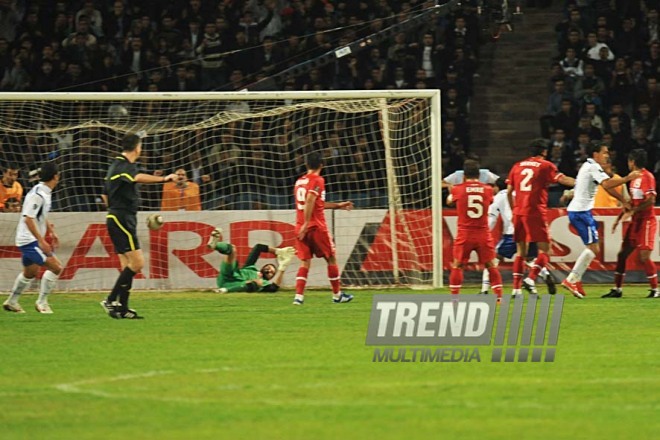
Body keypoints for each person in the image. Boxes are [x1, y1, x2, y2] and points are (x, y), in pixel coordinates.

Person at [100, 133, 178, 319]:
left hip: (117, 216)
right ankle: (111, 300)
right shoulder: (123, 165)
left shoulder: (115, 166)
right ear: (137, 147)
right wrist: (164, 179)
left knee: (127, 265)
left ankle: (123, 308)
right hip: (122, 217)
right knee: (138, 263)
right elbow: (136, 177)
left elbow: (104, 194)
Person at [561, 143, 640, 299]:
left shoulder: (590, 166)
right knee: (594, 248)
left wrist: (623, 200)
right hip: (581, 212)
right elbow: (607, 184)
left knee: (592, 247)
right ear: (595, 154)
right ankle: (571, 279)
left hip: (580, 211)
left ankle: (576, 280)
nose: (607, 155)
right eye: (604, 152)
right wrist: (627, 178)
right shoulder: (592, 166)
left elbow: (608, 188)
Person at [507, 139, 575, 296]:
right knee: (545, 250)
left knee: (520, 252)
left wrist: (513, 210)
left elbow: (510, 191)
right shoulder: (546, 166)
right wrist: (580, 183)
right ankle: (530, 279)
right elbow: (562, 179)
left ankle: (516, 289)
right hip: (535, 211)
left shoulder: (517, 166)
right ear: (544, 152)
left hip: (518, 212)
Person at [293, 151, 354, 305]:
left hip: (300, 226)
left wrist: (338, 205)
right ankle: (337, 295)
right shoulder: (318, 180)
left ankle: (298, 298)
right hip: (315, 227)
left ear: (306, 165)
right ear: (322, 165)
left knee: (305, 262)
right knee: (331, 258)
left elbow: (315, 203)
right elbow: (310, 200)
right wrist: (307, 223)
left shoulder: (299, 181)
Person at [3, 163, 62, 314]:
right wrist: (41, 241)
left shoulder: (44, 192)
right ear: (55, 176)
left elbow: (40, 216)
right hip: (29, 241)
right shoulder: (38, 195)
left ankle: (12, 301)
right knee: (56, 267)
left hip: (30, 239)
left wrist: (50, 231)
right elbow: (28, 218)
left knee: (30, 273)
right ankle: (42, 303)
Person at [480, 178, 556, 295]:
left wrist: (485, 233)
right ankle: (543, 275)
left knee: (493, 259)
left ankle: (485, 289)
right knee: (530, 259)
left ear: (497, 187)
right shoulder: (523, 194)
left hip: (511, 233)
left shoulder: (499, 197)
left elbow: (492, 218)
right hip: (528, 232)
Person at [603, 149, 658, 298]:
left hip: (646, 221)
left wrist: (635, 210)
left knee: (644, 255)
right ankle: (617, 289)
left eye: (629, 160)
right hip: (635, 221)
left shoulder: (647, 177)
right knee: (622, 254)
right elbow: (630, 203)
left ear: (632, 162)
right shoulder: (634, 179)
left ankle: (656, 290)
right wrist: (619, 218)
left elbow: (651, 200)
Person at [447, 159, 504, 301]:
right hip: (483, 233)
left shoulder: (457, 189)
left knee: (457, 265)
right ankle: (499, 298)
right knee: (491, 264)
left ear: (464, 176)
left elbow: (449, 201)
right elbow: (491, 199)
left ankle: (455, 299)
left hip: (465, 233)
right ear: (479, 175)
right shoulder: (487, 190)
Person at [206, 228, 296, 293]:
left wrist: (282, 268)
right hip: (228, 276)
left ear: (270, 278)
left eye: (271, 273)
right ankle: (214, 245)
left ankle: (224, 290)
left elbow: (274, 288)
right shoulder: (250, 267)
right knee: (232, 249)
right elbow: (258, 247)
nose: (268, 270)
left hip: (236, 285)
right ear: (263, 267)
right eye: (268, 268)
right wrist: (277, 251)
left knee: (256, 283)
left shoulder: (264, 283)